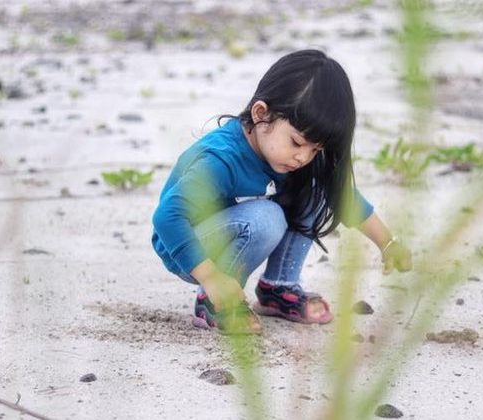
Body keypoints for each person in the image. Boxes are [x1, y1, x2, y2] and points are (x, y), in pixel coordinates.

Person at [151, 49, 412, 334]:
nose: (303, 157)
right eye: (297, 143)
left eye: (315, 149)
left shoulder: (290, 158)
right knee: (267, 217)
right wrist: (211, 277)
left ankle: (278, 287)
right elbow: (167, 218)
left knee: (316, 185)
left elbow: (342, 196)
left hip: (235, 227)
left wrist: (387, 242)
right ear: (261, 113)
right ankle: (216, 300)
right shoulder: (221, 160)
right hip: (186, 245)